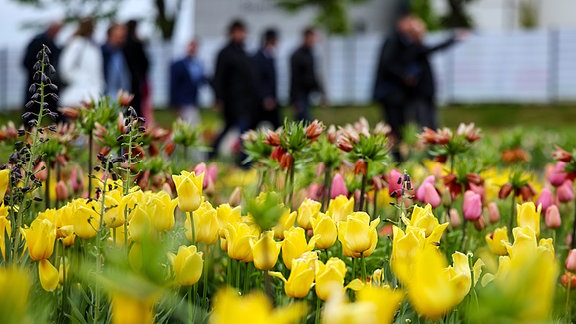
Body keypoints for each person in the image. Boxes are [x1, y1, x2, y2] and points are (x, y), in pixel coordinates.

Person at [210, 19, 258, 163]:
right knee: (238, 129)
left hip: (244, 101)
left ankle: (242, 160)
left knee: (242, 129)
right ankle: (243, 161)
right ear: (232, 33)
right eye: (239, 32)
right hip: (231, 100)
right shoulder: (225, 53)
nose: (242, 35)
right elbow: (218, 77)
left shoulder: (244, 52)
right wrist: (218, 98)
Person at [404, 17, 462, 130]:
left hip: (427, 91)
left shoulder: (417, 47)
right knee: (424, 122)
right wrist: (453, 39)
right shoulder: (413, 48)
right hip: (419, 92)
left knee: (431, 121)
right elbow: (435, 48)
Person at [372, 14, 416, 162]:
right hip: (391, 94)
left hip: (396, 94)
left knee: (398, 125)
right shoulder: (393, 41)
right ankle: (394, 156)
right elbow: (388, 64)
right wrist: (404, 76)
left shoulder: (402, 41)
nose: (411, 25)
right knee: (393, 125)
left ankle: (396, 156)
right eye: (409, 21)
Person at [22, 21, 63, 123]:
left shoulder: (53, 43)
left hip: (49, 87)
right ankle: (28, 137)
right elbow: (26, 62)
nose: (58, 33)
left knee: (55, 115)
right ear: (51, 29)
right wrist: (39, 75)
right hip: (35, 86)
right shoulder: (38, 41)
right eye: (57, 30)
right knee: (31, 116)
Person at [59, 17, 104, 107]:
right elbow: (66, 67)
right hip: (79, 93)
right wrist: (82, 79)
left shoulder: (92, 45)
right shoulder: (77, 44)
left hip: (92, 90)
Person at [170, 39, 209, 127]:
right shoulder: (178, 65)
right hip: (183, 101)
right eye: (191, 45)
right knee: (192, 126)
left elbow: (201, 81)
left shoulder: (198, 64)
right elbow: (173, 85)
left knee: (187, 126)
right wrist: (174, 102)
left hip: (193, 101)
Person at [289, 27, 325, 122]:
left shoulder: (311, 54)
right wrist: (294, 100)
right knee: (303, 120)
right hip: (300, 94)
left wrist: (321, 92)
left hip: (308, 93)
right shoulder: (297, 55)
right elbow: (294, 79)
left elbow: (314, 75)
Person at [251, 28, 281, 129]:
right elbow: (258, 79)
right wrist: (266, 96)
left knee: (278, 126)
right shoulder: (258, 58)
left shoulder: (271, 56)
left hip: (271, 98)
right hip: (262, 100)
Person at [123, 19, 151, 119]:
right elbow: (145, 63)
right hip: (135, 79)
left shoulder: (124, 43)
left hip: (128, 79)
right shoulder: (136, 43)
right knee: (136, 107)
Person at [101, 23, 130, 99]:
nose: (123, 38)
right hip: (106, 93)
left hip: (118, 94)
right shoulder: (102, 52)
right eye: (120, 36)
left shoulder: (120, 52)